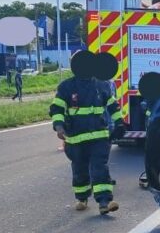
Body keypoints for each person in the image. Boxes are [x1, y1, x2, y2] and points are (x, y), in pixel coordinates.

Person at [49, 51, 125, 215]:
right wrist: (59, 126)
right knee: (79, 169)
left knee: (99, 167)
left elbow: (113, 106)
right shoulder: (66, 87)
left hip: (99, 137)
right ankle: (82, 198)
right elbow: (57, 108)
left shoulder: (102, 85)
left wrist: (119, 122)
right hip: (75, 140)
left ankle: (105, 201)